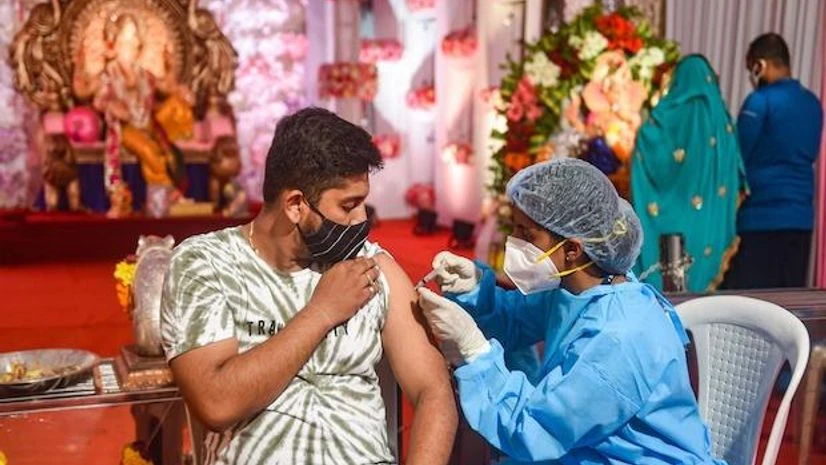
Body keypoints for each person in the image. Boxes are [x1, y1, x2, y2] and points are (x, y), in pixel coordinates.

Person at [161, 107, 457, 464]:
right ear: (296, 205)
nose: (361, 219)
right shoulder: (206, 263)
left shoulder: (370, 266)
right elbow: (217, 402)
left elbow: (434, 391)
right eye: (348, 205)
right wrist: (320, 314)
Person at [416, 158, 725, 464]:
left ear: (572, 250)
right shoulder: (578, 290)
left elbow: (535, 427)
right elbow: (515, 318)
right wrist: (475, 288)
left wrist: (475, 352)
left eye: (527, 234)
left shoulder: (618, 337)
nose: (514, 243)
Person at [632, 54, 746, 292]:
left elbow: (647, 139)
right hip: (707, 220)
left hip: (667, 224)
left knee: (670, 283)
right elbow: (737, 173)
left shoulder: (669, 113)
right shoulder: (721, 118)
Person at [724, 33, 823, 289]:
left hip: (761, 218)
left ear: (761, 65)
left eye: (751, 69)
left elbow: (738, 156)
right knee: (788, 301)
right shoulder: (813, 103)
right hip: (800, 218)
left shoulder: (760, 101)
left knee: (750, 306)